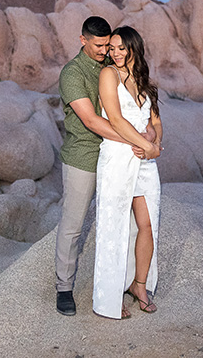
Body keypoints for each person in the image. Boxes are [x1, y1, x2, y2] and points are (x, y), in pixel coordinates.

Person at [54, 16, 158, 317]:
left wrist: (146, 135)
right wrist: (136, 139)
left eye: (108, 45)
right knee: (73, 226)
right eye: (99, 45)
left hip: (118, 159)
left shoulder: (111, 67)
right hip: (84, 157)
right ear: (82, 39)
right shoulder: (72, 73)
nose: (105, 51)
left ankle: (127, 283)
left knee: (122, 223)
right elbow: (92, 120)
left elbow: (141, 108)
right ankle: (64, 289)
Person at [92, 25, 162, 319]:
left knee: (147, 226)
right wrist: (145, 146)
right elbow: (117, 121)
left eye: (122, 48)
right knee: (114, 227)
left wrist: (155, 144)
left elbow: (156, 123)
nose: (116, 53)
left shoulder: (143, 81)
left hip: (146, 162)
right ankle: (110, 296)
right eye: (112, 48)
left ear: (134, 47)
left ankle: (140, 285)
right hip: (119, 157)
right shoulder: (109, 75)